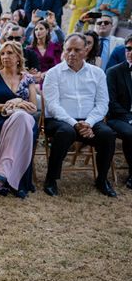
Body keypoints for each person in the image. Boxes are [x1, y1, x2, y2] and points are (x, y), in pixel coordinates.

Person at [42, 34, 116, 197]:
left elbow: (103, 103)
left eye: (77, 50)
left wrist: (88, 123)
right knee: (65, 132)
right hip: (59, 120)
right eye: (68, 49)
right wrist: (74, 124)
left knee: (107, 134)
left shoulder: (97, 73)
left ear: (86, 50)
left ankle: (102, 179)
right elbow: (53, 105)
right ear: (63, 50)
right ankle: (51, 179)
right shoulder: (53, 73)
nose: (72, 53)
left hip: (90, 120)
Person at [0, 42, 38, 198]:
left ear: (18, 57)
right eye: (3, 53)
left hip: (24, 121)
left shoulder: (28, 79)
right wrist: (14, 104)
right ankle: (19, 182)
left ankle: (3, 171)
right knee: (21, 119)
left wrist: (18, 104)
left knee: (22, 119)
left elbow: (33, 107)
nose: (5, 57)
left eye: (10, 53)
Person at [106, 36, 132, 189]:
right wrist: (129, 118)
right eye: (128, 49)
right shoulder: (113, 72)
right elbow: (111, 103)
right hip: (118, 117)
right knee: (130, 133)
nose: (129, 52)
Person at [28, 20, 62, 86]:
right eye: (36, 29)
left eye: (41, 29)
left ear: (47, 31)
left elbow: (58, 65)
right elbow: (27, 67)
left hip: (53, 78)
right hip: (35, 80)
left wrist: (46, 73)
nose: (38, 31)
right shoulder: (29, 49)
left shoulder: (55, 46)